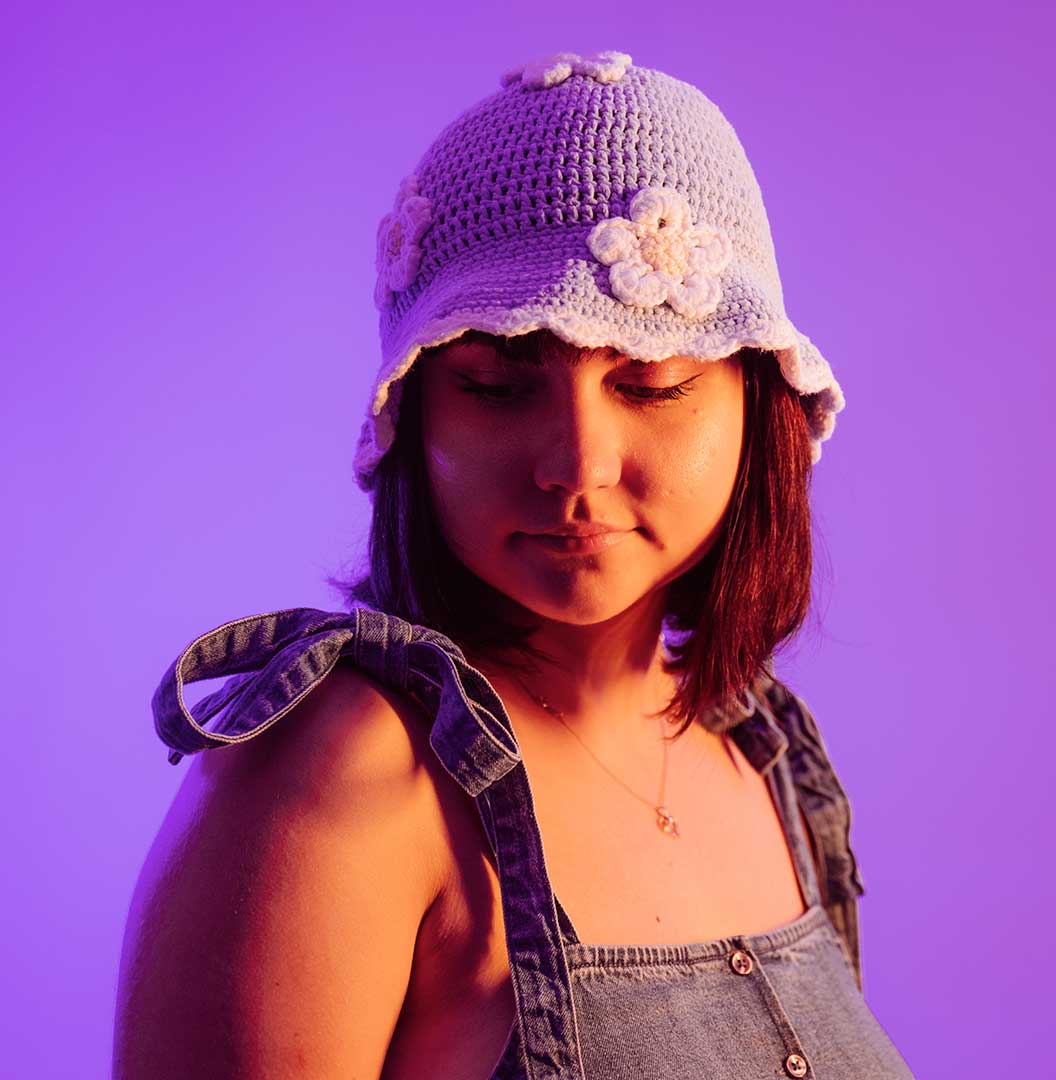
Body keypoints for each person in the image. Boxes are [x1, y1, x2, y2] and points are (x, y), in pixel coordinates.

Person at [113, 50, 915, 1079]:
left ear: (759, 405)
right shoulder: (340, 773)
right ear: (412, 417)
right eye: (496, 386)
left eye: (652, 382)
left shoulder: (762, 757)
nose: (575, 466)